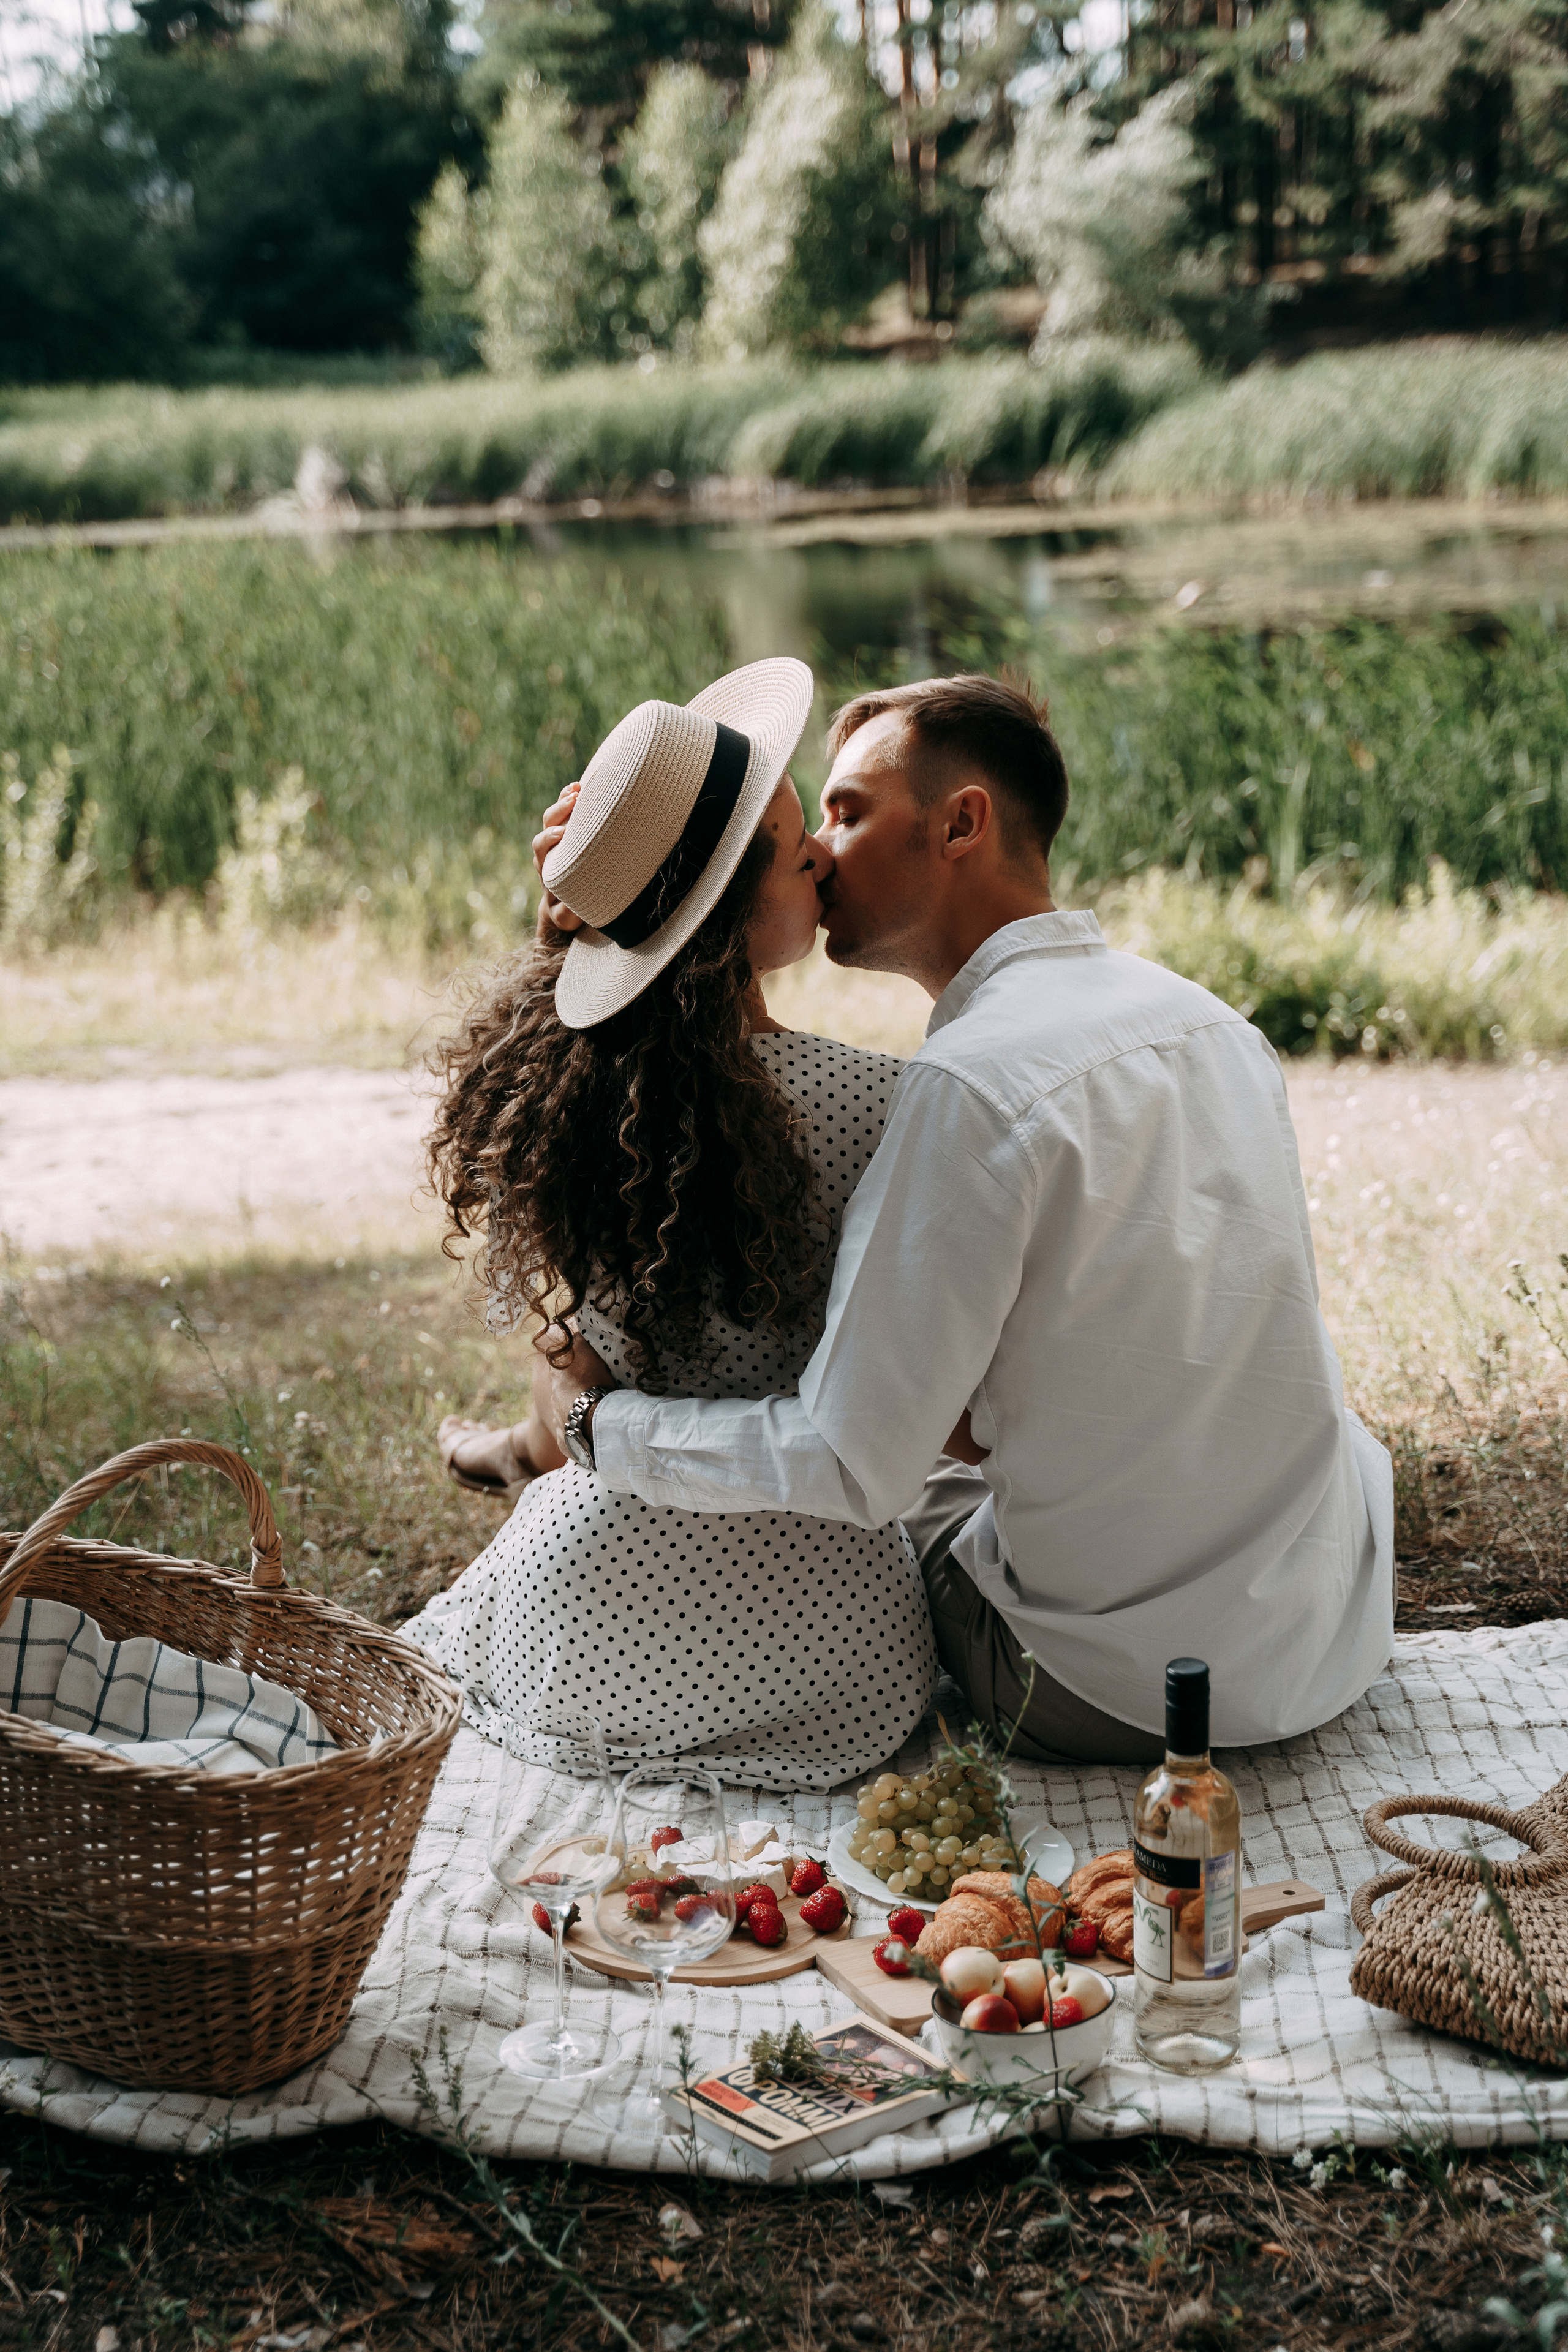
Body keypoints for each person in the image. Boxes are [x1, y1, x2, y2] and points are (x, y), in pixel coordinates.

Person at [535, 671, 1396, 1763]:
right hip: (1331, 1630)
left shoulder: (970, 1086)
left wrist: (604, 1430)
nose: (816, 852)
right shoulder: (1212, 1020)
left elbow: (858, 1469)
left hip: (1124, 1692)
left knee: (892, 1504)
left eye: (845, 811)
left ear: (962, 822)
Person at [402, 658, 936, 1787]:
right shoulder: (882, 1105)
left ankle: (509, 1462)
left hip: (588, 1621)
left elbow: (569, 1369)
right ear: (741, 905)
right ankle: (510, 1457)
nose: (821, 857)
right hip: (824, 1647)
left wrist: (589, 920)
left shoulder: (561, 1102)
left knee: (565, 1392)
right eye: (798, 846)